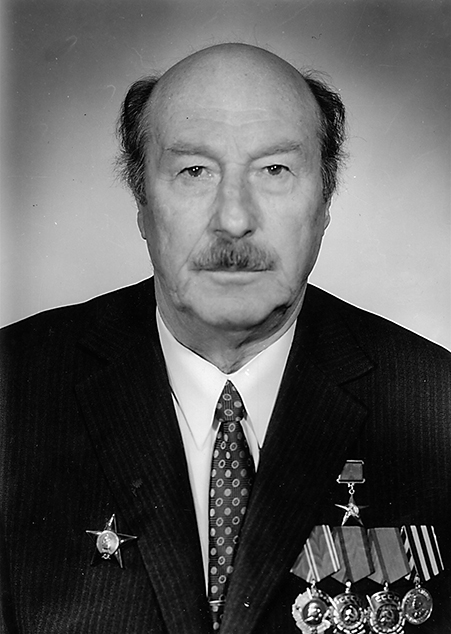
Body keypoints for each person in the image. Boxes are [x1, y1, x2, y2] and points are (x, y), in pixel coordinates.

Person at [0, 43, 449, 634]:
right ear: (142, 202)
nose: (234, 219)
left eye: (275, 170)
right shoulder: (12, 391)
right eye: (194, 171)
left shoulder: (439, 408)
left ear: (325, 201)